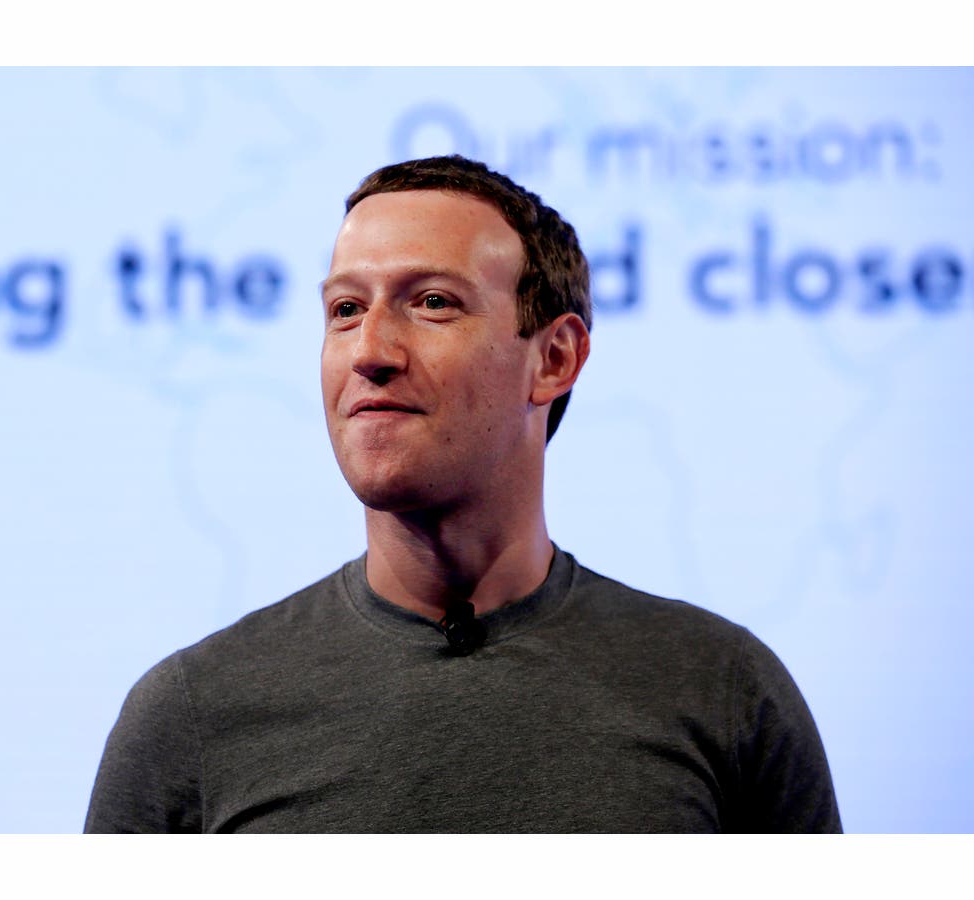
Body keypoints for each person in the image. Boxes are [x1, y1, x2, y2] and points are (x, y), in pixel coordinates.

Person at [84, 155, 841, 833]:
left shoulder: (722, 692)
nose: (370, 352)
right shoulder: (192, 716)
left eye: (433, 302)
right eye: (345, 310)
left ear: (554, 358)